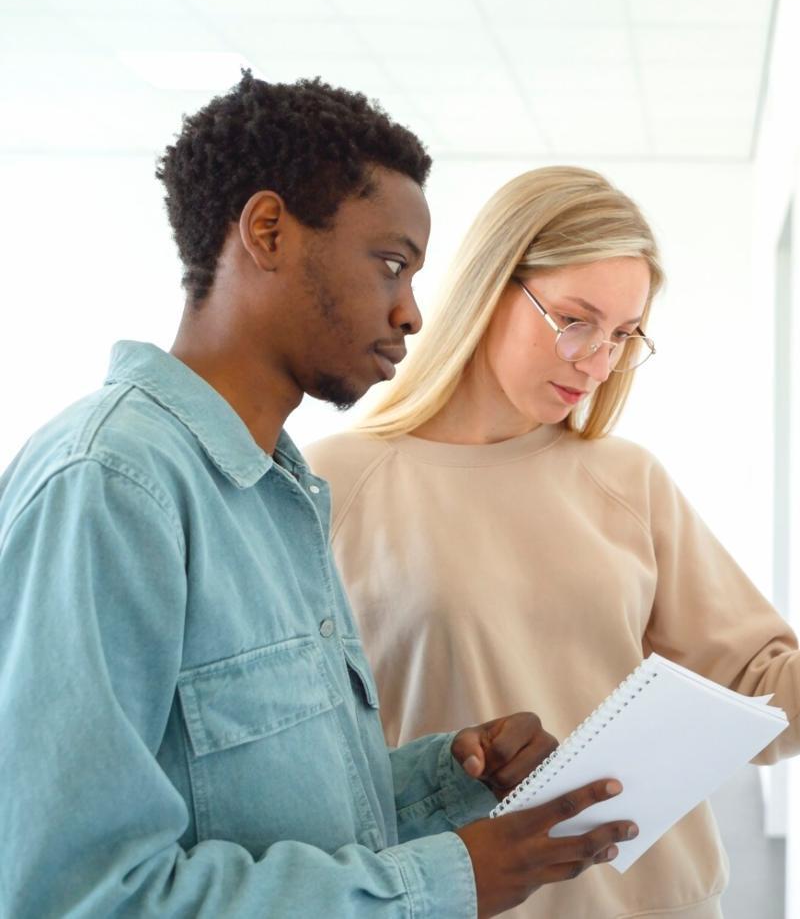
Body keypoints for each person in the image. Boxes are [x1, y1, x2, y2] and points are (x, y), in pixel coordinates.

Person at [0, 75, 635, 918]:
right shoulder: (112, 486)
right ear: (268, 232)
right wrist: (448, 881)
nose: (411, 312)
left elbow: (264, 814)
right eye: (390, 264)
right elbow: (75, 896)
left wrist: (448, 778)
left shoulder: (283, 490)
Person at [306, 165, 800, 918]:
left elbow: (754, 700)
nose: (596, 360)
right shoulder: (333, 486)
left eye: (622, 335)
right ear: (491, 286)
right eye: (574, 320)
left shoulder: (626, 481)